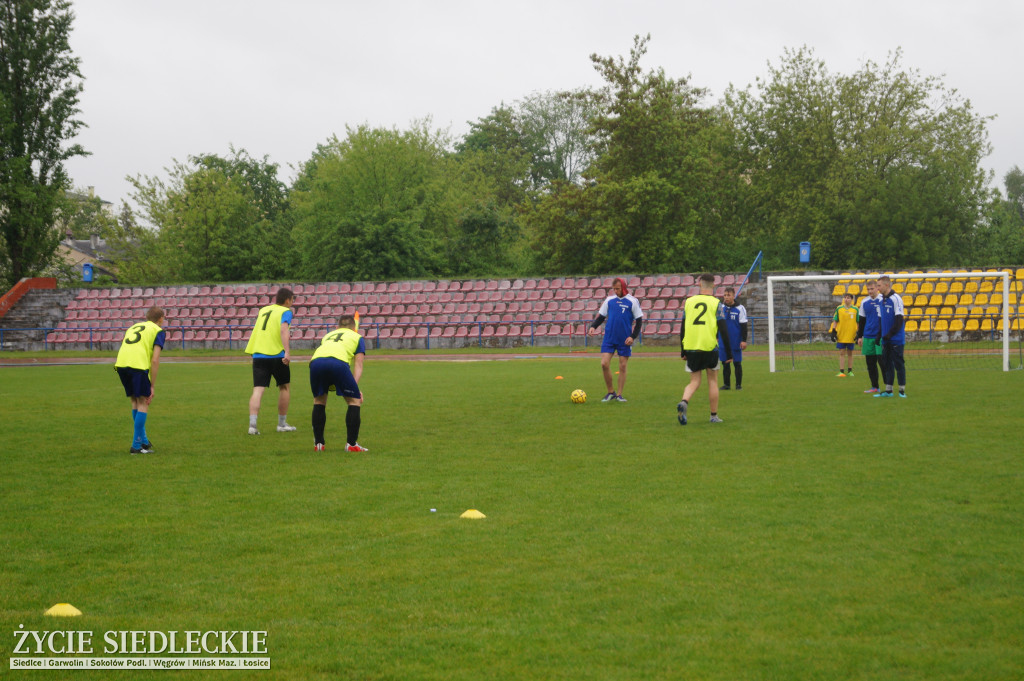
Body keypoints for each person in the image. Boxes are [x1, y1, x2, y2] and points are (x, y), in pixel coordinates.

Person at [309, 314, 368, 452]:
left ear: (337, 327)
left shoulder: (327, 336)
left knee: (319, 400)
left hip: (316, 362)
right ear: (354, 328)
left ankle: (318, 444)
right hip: (338, 362)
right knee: (354, 401)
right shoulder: (357, 337)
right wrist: (355, 388)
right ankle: (351, 444)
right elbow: (358, 365)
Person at [678, 274, 732, 425]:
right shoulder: (716, 304)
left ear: (699, 285)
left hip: (692, 346)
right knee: (713, 381)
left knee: (694, 381)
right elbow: (723, 329)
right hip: (709, 347)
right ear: (713, 285)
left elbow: (682, 328)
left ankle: (684, 401)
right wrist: (728, 352)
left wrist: (683, 350)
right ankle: (713, 416)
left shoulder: (688, 302)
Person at [244, 287, 297, 434]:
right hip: (277, 354)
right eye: (292, 300)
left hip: (259, 354)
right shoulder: (285, 312)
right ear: (287, 300)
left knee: (258, 389)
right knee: (284, 387)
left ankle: (252, 426)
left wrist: (252, 350)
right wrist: (287, 351)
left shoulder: (263, 311)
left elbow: (257, 331)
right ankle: (281, 424)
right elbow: (283, 330)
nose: (292, 303)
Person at [114, 306, 166, 455]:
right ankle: (136, 446)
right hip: (137, 366)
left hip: (121, 364)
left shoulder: (134, 326)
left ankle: (143, 440)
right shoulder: (158, 331)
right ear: (160, 318)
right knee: (144, 401)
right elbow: (155, 360)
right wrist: (152, 386)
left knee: (135, 401)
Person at [588, 277, 644, 402]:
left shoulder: (632, 301)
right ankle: (610, 392)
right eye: (614, 289)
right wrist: (593, 326)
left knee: (623, 366)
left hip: (624, 339)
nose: (615, 291)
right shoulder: (609, 300)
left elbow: (639, 321)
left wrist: (632, 336)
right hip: (609, 337)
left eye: (617, 289)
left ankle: (619, 394)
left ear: (623, 287)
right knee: (604, 364)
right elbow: (601, 317)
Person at [874, 275, 907, 398]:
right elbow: (882, 320)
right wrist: (879, 336)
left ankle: (902, 390)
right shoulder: (881, 300)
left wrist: (889, 335)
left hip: (896, 339)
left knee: (898, 364)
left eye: (879, 285)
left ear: (886, 285)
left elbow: (899, 320)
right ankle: (889, 390)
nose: (877, 288)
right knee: (887, 364)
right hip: (885, 339)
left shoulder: (896, 299)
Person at [855, 280, 884, 393]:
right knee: (870, 364)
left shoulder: (883, 300)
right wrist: (860, 336)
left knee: (882, 362)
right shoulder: (864, 302)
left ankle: (888, 387)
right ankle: (875, 387)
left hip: (880, 336)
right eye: (868, 289)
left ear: (877, 288)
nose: (870, 291)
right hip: (867, 336)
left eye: (872, 289)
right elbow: (862, 321)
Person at [717, 287, 748, 390]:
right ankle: (727, 384)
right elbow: (717, 324)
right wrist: (716, 337)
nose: (726, 297)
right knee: (725, 363)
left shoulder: (740, 308)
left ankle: (738, 385)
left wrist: (744, 340)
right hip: (723, 341)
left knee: (737, 363)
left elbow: (744, 325)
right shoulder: (720, 307)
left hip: (735, 340)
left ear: (733, 296)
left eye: (728, 295)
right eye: (725, 295)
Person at [829, 292, 859, 377]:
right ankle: (841, 371)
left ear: (852, 300)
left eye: (848, 298)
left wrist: (858, 333)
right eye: (845, 297)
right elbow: (835, 320)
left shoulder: (855, 309)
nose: (846, 299)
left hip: (851, 335)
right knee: (842, 353)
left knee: (850, 353)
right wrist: (833, 331)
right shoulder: (839, 308)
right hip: (841, 335)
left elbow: (858, 322)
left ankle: (850, 371)